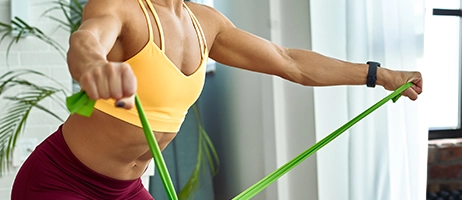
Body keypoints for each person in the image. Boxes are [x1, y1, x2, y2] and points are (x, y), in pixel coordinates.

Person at [11, 0, 423, 199]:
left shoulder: (205, 22)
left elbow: (288, 62)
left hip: (125, 189)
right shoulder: (123, 7)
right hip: (61, 181)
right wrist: (94, 67)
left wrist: (380, 75)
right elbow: (85, 40)